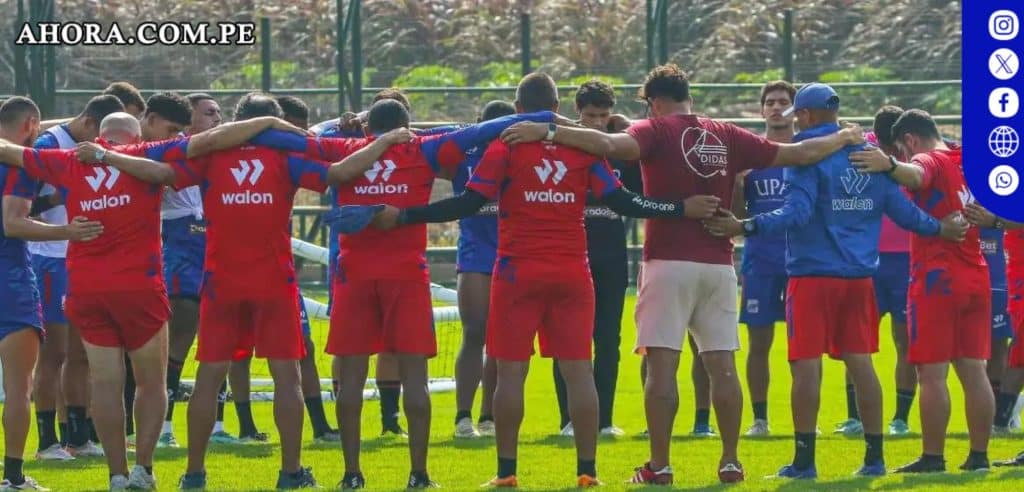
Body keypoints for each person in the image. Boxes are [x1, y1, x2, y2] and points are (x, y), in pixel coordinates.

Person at [499, 65, 866, 484]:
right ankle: (730, 460)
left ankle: (660, 465)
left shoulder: (654, 130)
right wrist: (843, 137)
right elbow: (799, 154)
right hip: (718, 264)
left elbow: (607, 144)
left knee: (661, 369)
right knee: (723, 366)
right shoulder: (728, 133)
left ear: (655, 102)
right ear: (687, 95)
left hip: (667, 262)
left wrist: (547, 131)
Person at [367, 72, 690, 488]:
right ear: (557, 108)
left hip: (517, 272)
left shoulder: (506, 145)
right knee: (580, 372)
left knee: (511, 373)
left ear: (518, 109)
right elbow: (623, 201)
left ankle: (506, 473)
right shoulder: (583, 147)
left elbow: (468, 201)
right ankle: (587, 471)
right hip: (573, 272)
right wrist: (679, 209)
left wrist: (406, 215)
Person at [269, 94, 559, 489]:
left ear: (368, 127)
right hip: (406, 276)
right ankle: (418, 475)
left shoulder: (345, 147)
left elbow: (295, 137)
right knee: (415, 379)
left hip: (354, 276)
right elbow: (482, 130)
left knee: (350, 380)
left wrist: (335, 125)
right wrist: (548, 119)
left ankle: (352, 474)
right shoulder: (423, 149)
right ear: (406, 126)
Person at [706, 84, 963, 479]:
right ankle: (874, 459)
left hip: (812, 276)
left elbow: (797, 212)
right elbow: (903, 212)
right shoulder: (869, 155)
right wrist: (940, 228)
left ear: (805, 115)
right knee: (862, 364)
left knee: (805, 367)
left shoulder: (806, 154)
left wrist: (746, 226)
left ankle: (805, 462)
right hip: (859, 278)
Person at [94, 93, 345, 490]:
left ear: (237, 120)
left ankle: (194, 474)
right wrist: (383, 143)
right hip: (273, 280)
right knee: (287, 377)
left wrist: (107, 157)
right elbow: (338, 173)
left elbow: (160, 173)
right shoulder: (286, 156)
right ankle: (291, 472)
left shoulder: (210, 156)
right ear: (274, 121)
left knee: (209, 377)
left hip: (221, 280)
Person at [0, 110, 191, 490]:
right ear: (136, 136)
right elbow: (198, 150)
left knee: (104, 383)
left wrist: (47, 127)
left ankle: (117, 475)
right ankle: (144, 469)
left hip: (87, 288)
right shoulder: (145, 157)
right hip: (139, 287)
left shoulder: (70, 160)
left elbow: (9, 150)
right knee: (151, 383)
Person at [851, 109, 995, 472]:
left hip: (937, 279)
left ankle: (933, 457)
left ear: (910, 140)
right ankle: (979, 457)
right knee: (974, 371)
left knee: (932, 374)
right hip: (976, 275)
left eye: (902, 149)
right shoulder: (966, 160)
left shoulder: (927, 158)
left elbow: (917, 173)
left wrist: (888, 165)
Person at [1, 96, 101, 491]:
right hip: (10, 280)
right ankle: (13, 476)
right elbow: (13, 223)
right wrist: (67, 231)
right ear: (30, 123)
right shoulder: (21, 164)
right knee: (18, 387)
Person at [31, 94, 124, 460]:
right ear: (88, 123)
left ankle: (79, 438)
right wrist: (57, 200)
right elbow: (21, 205)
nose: (104, 145)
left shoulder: (98, 150)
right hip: (51, 258)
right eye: (100, 135)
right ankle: (46, 441)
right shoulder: (49, 145)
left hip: (85, 259)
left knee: (82, 353)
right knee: (53, 353)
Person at [549, 81, 639, 439]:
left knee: (608, 338)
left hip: (612, 256)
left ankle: (604, 421)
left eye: (604, 115)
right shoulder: (563, 148)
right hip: (569, 253)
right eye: (590, 115)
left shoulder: (620, 151)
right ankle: (568, 420)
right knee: (568, 339)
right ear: (577, 113)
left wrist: (629, 128)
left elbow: (640, 188)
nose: (598, 123)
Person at [158, 92, 240, 448]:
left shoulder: (223, 150)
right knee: (181, 334)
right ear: (187, 119)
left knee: (220, 336)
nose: (217, 117)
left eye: (219, 111)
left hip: (214, 242)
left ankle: (219, 426)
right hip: (181, 245)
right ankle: (163, 428)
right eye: (209, 112)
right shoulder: (170, 149)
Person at [731, 80, 796, 437]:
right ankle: (760, 419)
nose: (776, 107)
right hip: (761, 261)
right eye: (769, 102)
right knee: (758, 344)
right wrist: (738, 186)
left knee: (804, 346)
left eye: (783, 101)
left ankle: (806, 419)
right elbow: (738, 218)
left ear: (795, 110)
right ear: (761, 110)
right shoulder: (750, 156)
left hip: (802, 260)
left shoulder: (806, 152)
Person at [275, 94, 342, 443]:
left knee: (304, 347)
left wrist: (347, 122)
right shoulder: (230, 153)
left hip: (279, 273)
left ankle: (319, 427)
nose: (299, 138)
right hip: (234, 270)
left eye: (302, 130)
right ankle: (232, 426)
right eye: (293, 129)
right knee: (230, 357)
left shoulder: (296, 155)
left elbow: (320, 136)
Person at [451, 100, 514, 439]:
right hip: (475, 252)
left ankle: (488, 415)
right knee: (474, 331)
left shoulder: (519, 150)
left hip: (510, 251)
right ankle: (463, 417)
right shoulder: (463, 152)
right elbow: (422, 140)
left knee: (500, 338)